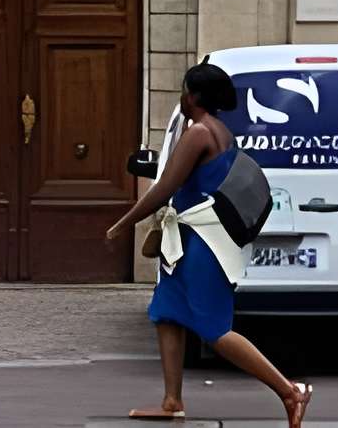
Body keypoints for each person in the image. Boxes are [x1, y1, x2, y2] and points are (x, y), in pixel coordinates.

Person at [101, 64, 311, 426]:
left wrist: (122, 224)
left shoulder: (200, 132)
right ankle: (171, 402)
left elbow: (165, 187)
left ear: (194, 96)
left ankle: (290, 391)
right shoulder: (218, 130)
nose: (181, 96)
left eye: (184, 90)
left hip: (203, 243)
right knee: (166, 313)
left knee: (215, 329)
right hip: (185, 241)